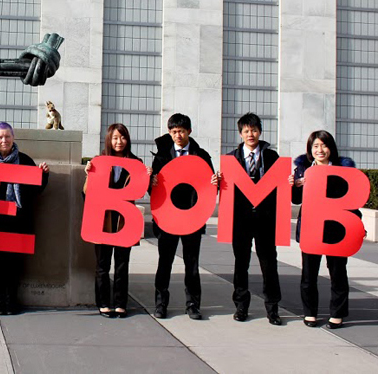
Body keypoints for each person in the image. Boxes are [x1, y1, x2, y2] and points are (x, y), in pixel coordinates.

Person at [0, 122, 49, 315]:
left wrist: (44, 175)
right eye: (0, 137)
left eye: (7, 136)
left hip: (17, 220)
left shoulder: (24, 161)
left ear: (13, 137)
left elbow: (35, 190)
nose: (4, 140)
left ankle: (11, 303)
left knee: (14, 265)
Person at [215, 112, 282, 325]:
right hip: (240, 220)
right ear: (240, 133)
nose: (250, 134)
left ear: (260, 131)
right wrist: (217, 181)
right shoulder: (231, 158)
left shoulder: (272, 157)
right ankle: (241, 307)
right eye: (246, 131)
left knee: (269, 265)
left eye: (254, 130)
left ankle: (273, 309)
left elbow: (279, 189)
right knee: (240, 264)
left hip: (265, 220)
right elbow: (226, 190)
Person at [149, 113, 214, 320]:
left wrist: (215, 182)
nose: (178, 135)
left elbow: (209, 187)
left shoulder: (201, 156)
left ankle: (193, 305)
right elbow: (153, 191)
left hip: (192, 217)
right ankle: (160, 304)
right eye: (174, 131)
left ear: (189, 132)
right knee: (164, 262)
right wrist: (151, 183)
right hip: (168, 218)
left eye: (182, 131)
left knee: (192, 264)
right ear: (169, 132)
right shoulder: (161, 155)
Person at [290, 130, 357, 329]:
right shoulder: (302, 169)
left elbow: (352, 201)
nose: (320, 150)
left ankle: (337, 313)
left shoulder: (343, 169)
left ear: (331, 148)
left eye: (324, 145)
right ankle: (310, 313)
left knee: (337, 273)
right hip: (311, 228)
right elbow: (295, 200)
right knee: (308, 275)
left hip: (337, 228)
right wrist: (297, 186)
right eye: (316, 146)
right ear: (310, 150)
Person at [84, 123, 150, 318]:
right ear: (108, 140)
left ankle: (121, 303)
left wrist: (148, 176)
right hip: (102, 219)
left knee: (122, 263)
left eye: (122, 137)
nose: (118, 142)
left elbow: (143, 190)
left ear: (127, 139)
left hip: (124, 219)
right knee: (102, 265)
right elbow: (87, 193)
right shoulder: (99, 161)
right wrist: (89, 174)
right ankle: (103, 303)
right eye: (114, 138)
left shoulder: (135, 162)